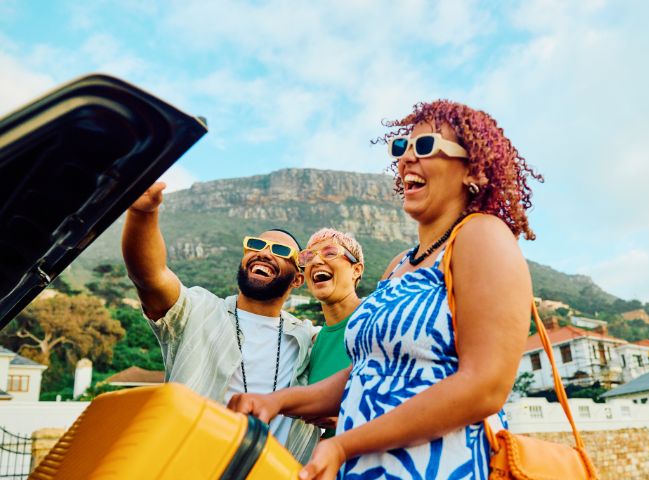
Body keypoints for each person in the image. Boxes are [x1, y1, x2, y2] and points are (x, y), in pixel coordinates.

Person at [227, 100, 541, 479]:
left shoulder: (481, 235)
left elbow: (485, 387)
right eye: (401, 148)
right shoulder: (398, 266)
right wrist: (274, 402)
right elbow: (366, 373)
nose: (407, 158)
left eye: (424, 147)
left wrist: (345, 444)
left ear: (472, 169)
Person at [121, 181, 317, 462]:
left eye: (280, 251)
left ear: (298, 278)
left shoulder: (307, 338)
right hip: (189, 466)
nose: (264, 252)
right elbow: (149, 276)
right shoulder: (197, 310)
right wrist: (143, 214)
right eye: (257, 244)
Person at [298, 228, 364, 439]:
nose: (316, 261)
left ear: (356, 270)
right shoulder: (313, 343)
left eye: (329, 253)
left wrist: (349, 418)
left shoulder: (380, 320)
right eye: (309, 257)